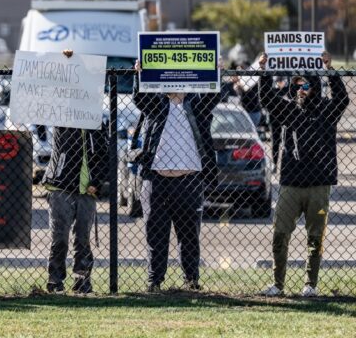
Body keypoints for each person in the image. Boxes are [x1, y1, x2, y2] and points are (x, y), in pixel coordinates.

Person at [258, 51, 349, 297]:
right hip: (291, 183)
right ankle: (278, 284)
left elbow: (342, 99)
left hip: (319, 185)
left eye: (305, 84)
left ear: (314, 86)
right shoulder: (289, 111)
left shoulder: (327, 111)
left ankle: (310, 284)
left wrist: (330, 71)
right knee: (280, 233)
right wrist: (265, 71)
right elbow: (266, 98)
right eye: (296, 84)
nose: (300, 89)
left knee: (315, 237)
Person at [132, 59, 221, 292]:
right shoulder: (156, 105)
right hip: (157, 180)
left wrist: (216, 73)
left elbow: (213, 96)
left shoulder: (196, 107)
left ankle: (191, 280)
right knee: (156, 235)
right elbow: (139, 98)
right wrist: (139, 75)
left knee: (189, 236)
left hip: (189, 180)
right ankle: (155, 282)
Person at [42, 53, 110, 294]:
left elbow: (103, 154)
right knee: (59, 238)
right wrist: (67, 63)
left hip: (86, 189)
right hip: (61, 185)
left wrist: (97, 182)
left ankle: (82, 280)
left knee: (83, 239)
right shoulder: (60, 113)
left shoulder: (96, 120)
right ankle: (55, 281)